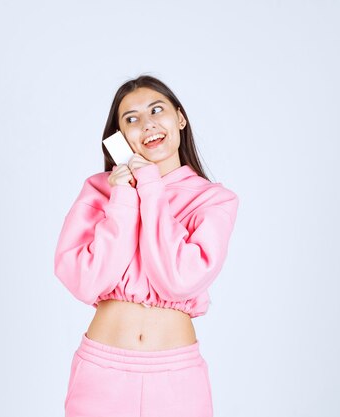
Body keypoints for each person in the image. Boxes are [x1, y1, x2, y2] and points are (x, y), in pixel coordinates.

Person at [54, 75, 239, 417]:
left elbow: (178, 279)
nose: (148, 124)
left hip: (176, 380)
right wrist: (124, 196)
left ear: (180, 118)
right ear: (119, 138)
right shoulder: (100, 191)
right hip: (101, 374)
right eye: (132, 119)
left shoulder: (214, 200)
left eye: (157, 110)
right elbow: (86, 281)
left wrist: (150, 187)